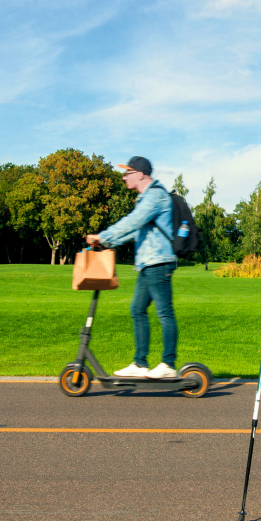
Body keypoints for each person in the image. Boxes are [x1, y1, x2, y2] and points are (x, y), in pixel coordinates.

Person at [86, 156, 178, 379]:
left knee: (164, 313)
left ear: (140, 174)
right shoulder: (146, 198)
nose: (124, 177)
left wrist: (104, 235)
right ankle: (140, 364)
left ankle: (168, 365)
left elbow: (133, 221)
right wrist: (106, 242)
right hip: (148, 264)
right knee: (137, 310)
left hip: (159, 262)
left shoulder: (155, 196)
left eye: (127, 173)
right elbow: (133, 231)